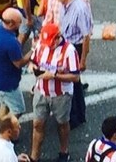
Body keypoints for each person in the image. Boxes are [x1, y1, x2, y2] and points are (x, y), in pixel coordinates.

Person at [28, 20, 81, 162]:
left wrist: (54, 75)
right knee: (37, 124)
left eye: (51, 43)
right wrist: (33, 68)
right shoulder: (41, 44)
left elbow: (75, 77)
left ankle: (64, 151)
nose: (48, 46)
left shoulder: (69, 51)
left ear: (58, 37)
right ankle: (34, 156)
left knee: (62, 124)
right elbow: (33, 61)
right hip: (41, 91)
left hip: (61, 95)